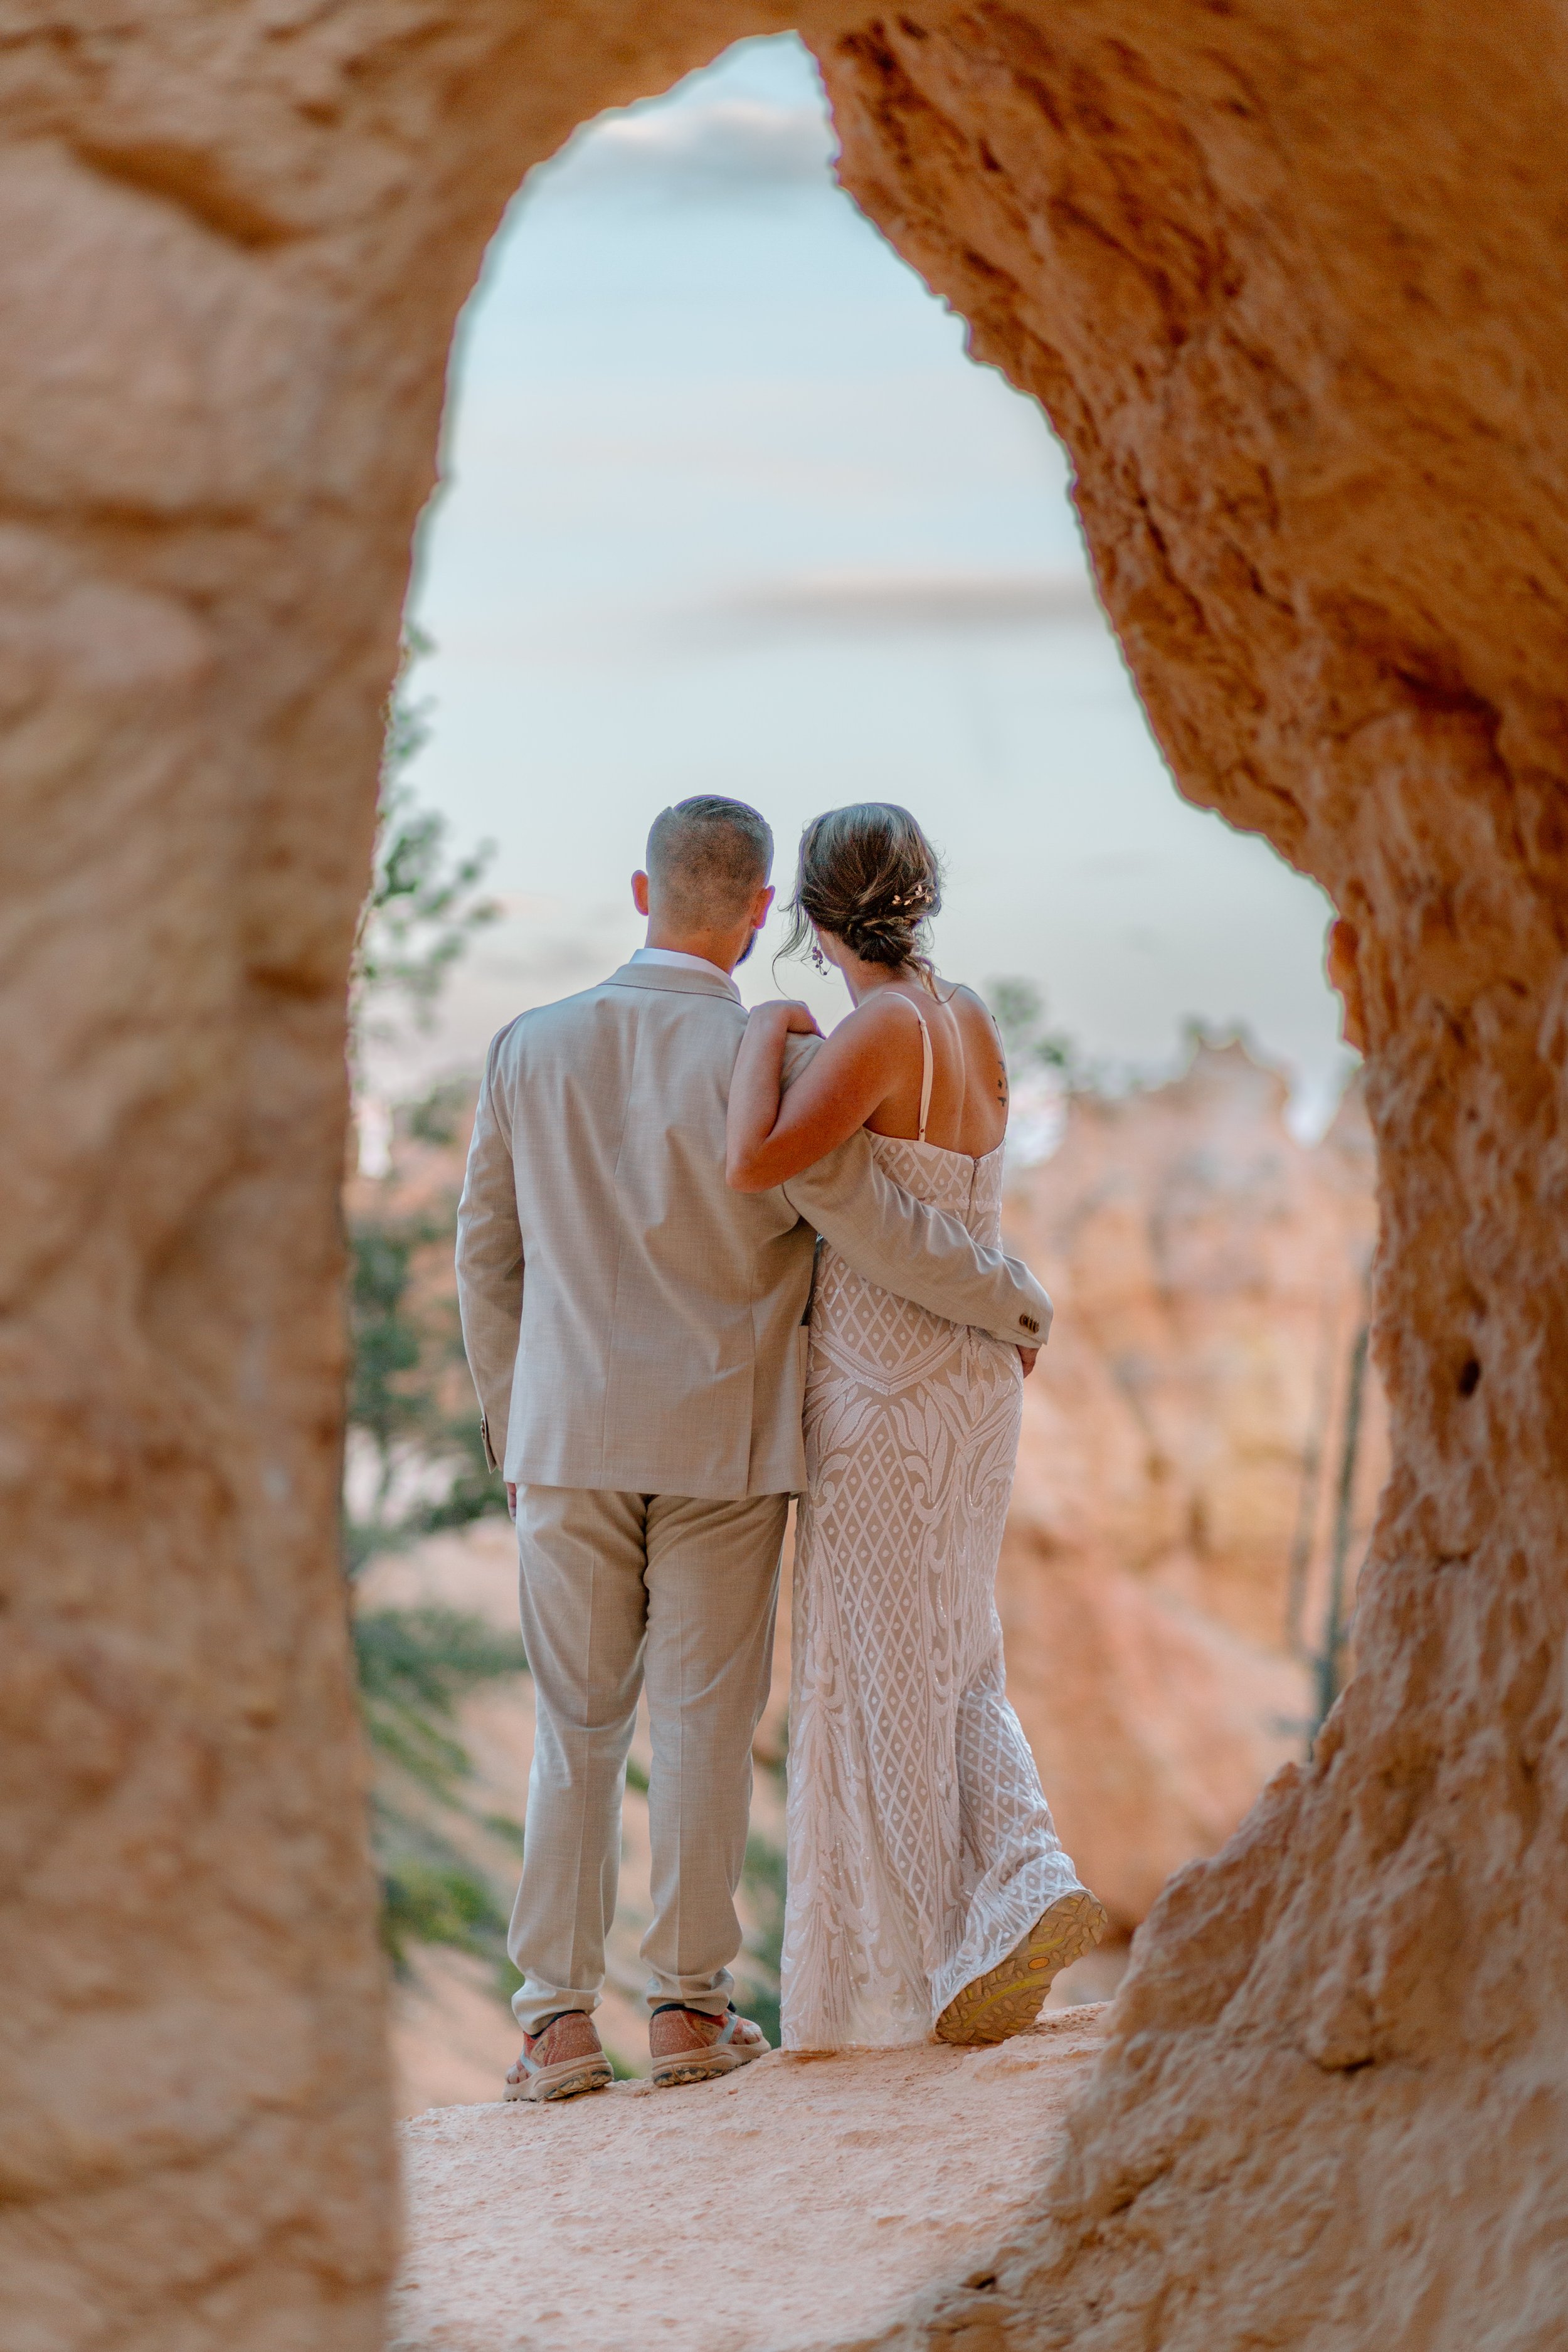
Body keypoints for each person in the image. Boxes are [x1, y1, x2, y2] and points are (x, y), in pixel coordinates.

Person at [455, 795, 1055, 2101]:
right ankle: (685, 2014)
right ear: (747, 915)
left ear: (640, 893)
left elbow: (486, 1261)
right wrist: (1008, 1302)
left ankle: (554, 2028)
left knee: (575, 1731)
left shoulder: (526, 1048)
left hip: (562, 1443)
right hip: (724, 1442)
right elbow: (869, 1225)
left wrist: (517, 1431)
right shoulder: (764, 1059)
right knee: (704, 1726)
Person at [726, 802, 1106, 2050]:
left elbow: (759, 1161)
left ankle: (920, 1967)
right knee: (955, 1652)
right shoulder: (968, 1017)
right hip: (975, 1381)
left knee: (879, 1671)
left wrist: (765, 1033)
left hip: (881, 1375)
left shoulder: (878, 1029)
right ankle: (1027, 1875)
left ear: (812, 915)